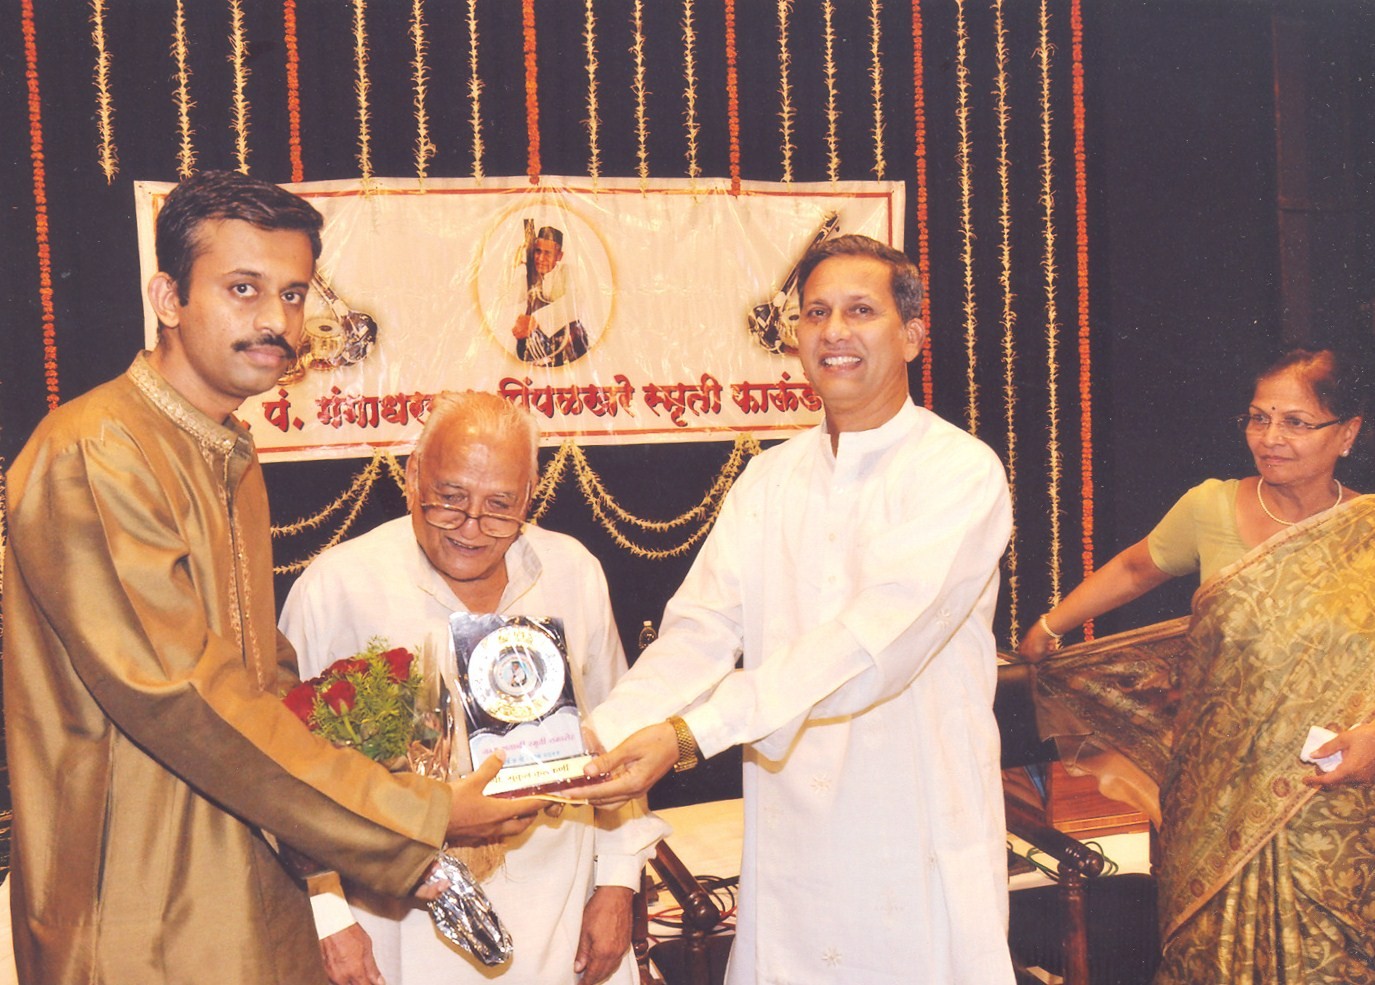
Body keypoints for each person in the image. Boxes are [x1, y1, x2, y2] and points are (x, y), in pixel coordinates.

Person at [1, 170, 542, 985]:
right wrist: (413, 817)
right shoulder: (98, 450)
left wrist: (382, 821)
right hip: (141, 913)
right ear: (167, 296)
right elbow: (185, 696)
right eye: (243, 288)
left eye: (293, 296)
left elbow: (263, 682)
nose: (276, 321)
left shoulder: (227, 456)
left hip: (249, 895)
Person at [578, 234, 1017, 984]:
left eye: (860, 310)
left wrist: (687, 735)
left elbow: (867, 647)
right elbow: (701, 630)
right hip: (791, 837)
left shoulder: (958, 473)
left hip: (914, 825)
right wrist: (600, 735)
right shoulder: (768, 480)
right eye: (816, 312)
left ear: (910, 335)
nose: (833, 331)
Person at [280, 390, 665, 985]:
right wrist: (327, 917)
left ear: (529, 498)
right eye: (450, 501)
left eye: (499, 508)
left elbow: (619, 736)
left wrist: (617, 885)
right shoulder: (338, 585)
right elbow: (287, 777)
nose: (471, 529)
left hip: (559, 909)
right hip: (399, 923)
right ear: (412, 477)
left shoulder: (573, 571)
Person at [1018, 348, 1375, 983]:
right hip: (1214, 799)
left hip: (1334, 800)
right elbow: (1134, 568)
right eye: (1258, 418)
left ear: (1346, 432)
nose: (1270, 438)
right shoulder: (1211, 508)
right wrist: (1050, 627)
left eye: (1296, 422)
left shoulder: (1367, 532)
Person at [512, 225, 589, 367]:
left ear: (559, 256)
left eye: (547, 253)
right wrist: (514, 268)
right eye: (537, 251)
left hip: (570, 351)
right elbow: (504, 298)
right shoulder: (528, 277)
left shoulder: (569, 273)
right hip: (538, 353)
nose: (540, 258)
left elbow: (573, 303)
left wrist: (534, 321)